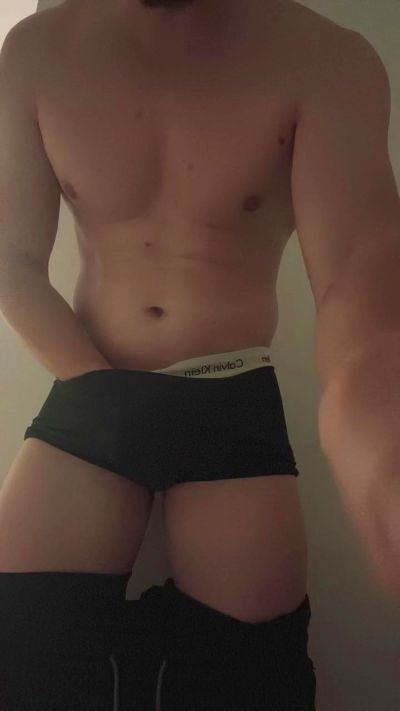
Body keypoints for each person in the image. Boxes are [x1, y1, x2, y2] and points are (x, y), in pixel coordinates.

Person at [0, 1, 397, 709]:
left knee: (254, 678)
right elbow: (11, 258)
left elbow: (357, 282)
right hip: (89, 381)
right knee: (23, 653)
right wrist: (103, 393)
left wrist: (380, 449)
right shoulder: (34, 52)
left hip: (230, 395)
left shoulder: (327, 60)